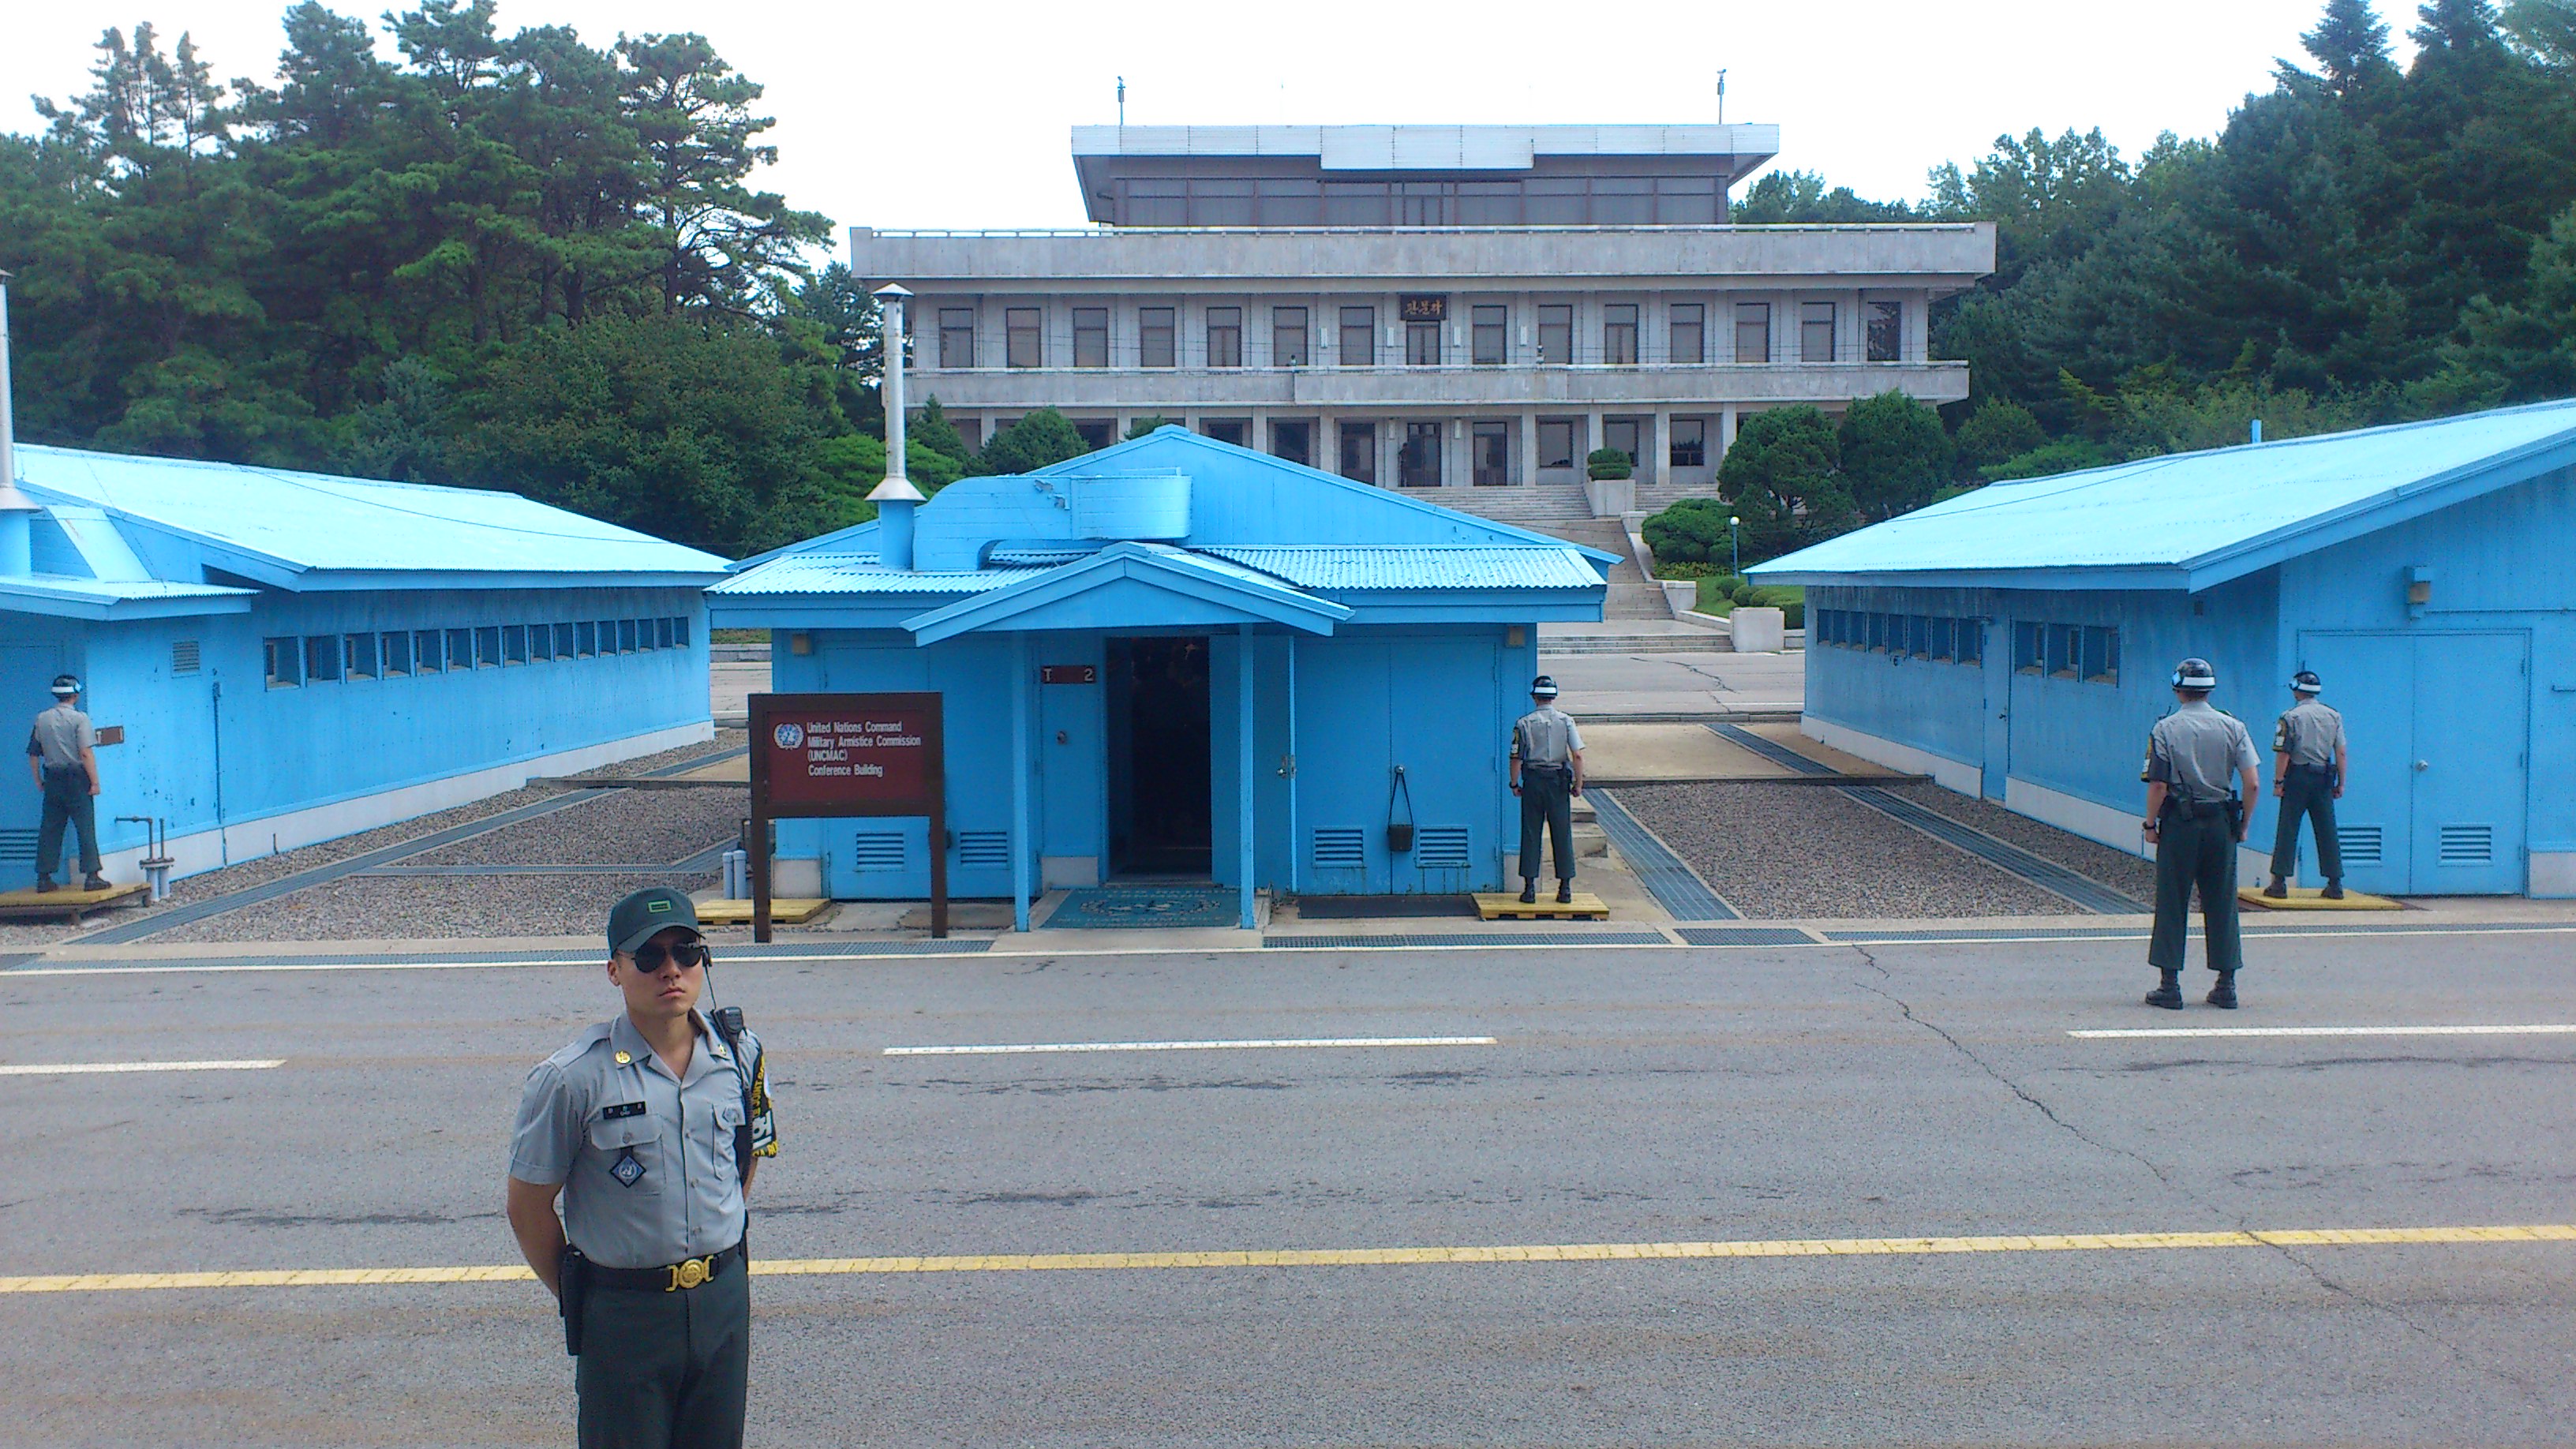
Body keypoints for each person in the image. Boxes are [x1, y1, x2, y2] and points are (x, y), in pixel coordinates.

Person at [507, 887, 778, 1449]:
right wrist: (584, 1293)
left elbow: (743, 1155)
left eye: (687, 951)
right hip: (624, 1313)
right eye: (649, 957)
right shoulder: (573, 1078)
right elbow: (528, 1204)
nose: (671, 970)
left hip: (722, 1299)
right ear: (614, 970)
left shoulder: (740, 1053)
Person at [2140, 658, 2262, 1010]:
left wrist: (2151, 825)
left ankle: (2169, 985)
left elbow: (2159, 784)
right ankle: (2226, 985)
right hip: (2221, 821)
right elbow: (2252, 782)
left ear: (2177, 689)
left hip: (2180, 823)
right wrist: (2243, 825)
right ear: (2209, 689)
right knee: (2222, 901)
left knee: (2172, 900)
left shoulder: (2165, 729)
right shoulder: (2233, 727)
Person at [2265, 670, 2349, 900]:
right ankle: (2335, 883)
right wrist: (2341, 782)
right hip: (2323, 776)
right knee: (2327, 829)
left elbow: (2284, 752)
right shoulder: (2333, 716)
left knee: (2288, 827)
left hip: (2297, 777)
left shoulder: (2290, 717)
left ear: (2296, 690)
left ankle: (2279, 882)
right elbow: (2340, 751)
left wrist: (2279, 781)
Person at [25, 674, 106, 893]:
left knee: (50, 827)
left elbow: (33, 754)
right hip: (77, 778)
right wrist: (95, 782)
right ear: (76, 694)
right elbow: (85, 752)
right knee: (84, 826)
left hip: (52, 778)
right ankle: (91, 875)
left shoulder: (41, 719)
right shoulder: (80, 719)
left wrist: (38, 781)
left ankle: (44, 876)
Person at [1508, 674, 1585, 904]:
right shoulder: (1566, 721)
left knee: (1531, 833)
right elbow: (1578, 754)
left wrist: (1514, 783)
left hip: (1533, 781)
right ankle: (1565, 888)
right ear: (1554, 697)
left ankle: (1530, 888)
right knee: (1562, 833)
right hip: (1558, 782)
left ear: (1534, 697)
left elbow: (1516, 758)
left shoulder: (1523, 723)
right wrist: (1578, 784)